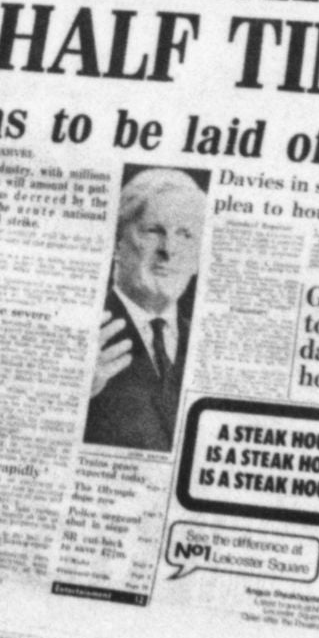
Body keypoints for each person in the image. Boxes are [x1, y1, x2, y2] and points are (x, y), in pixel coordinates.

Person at [85, 167, 206, 452]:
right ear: (116, 243)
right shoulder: (87, 330)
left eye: (186, 234)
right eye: (153, 231)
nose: (170, 249)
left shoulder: (203, 343)